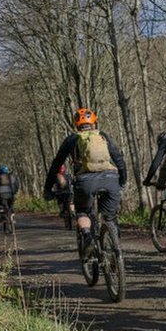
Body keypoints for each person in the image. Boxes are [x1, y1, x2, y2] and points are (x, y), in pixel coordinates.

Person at [43, 108, 127, 258]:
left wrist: (48, 189)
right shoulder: (103, 136)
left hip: (85, 182)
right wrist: (122, 180)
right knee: (110, 217)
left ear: (76, 124)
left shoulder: (72, 139)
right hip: (110, 179)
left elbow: (56, 165)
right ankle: (116, 253)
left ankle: (87, 236)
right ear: (94, 122)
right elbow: (119, 159)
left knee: (83, 211)